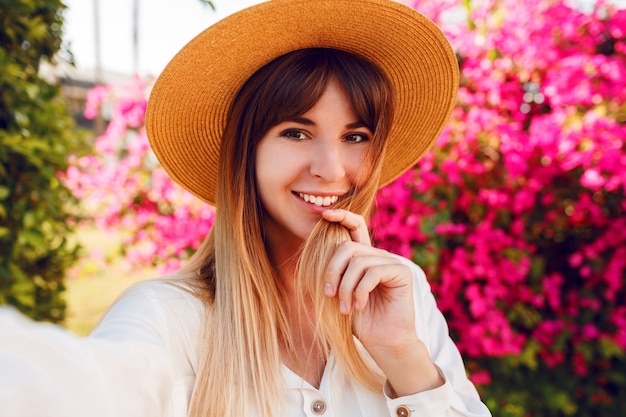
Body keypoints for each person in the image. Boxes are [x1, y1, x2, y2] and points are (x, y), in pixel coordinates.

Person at [0, 1, 492, 416]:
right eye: (296, 132)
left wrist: (403, 357)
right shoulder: (169, 318)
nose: (331, 167)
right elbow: (74, 389)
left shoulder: (399, 293)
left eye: (356, 136)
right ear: (247, 149)